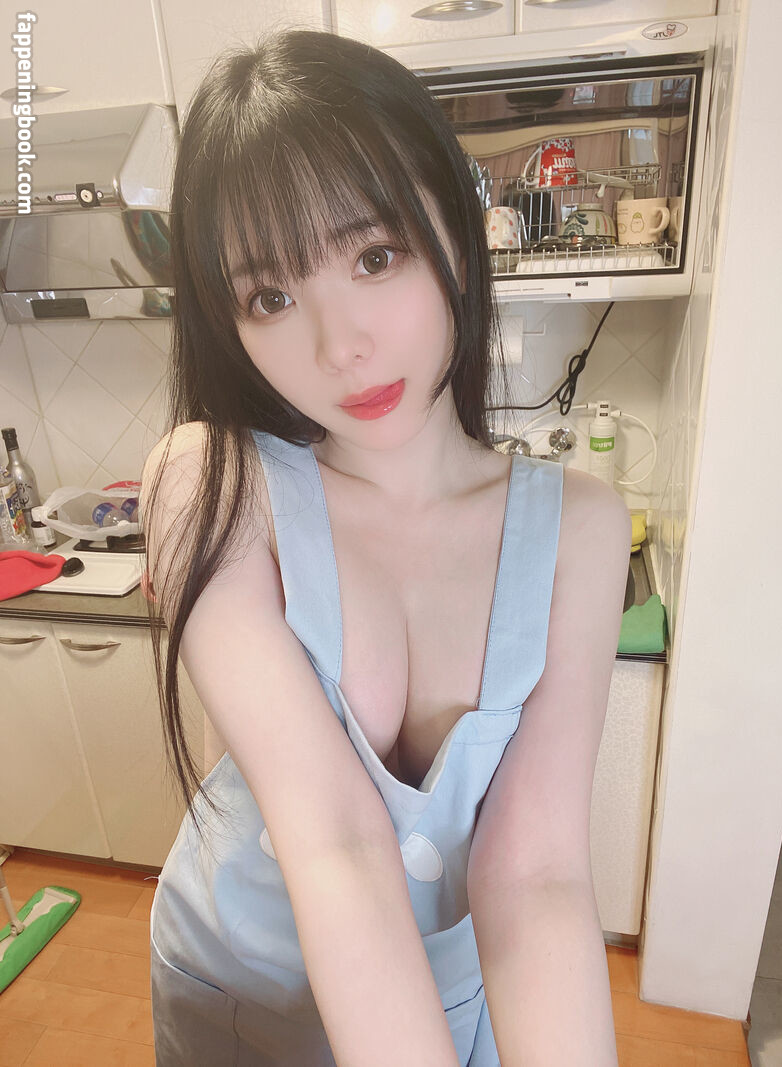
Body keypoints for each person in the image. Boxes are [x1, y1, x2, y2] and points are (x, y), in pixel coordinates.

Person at [140, 27, 629, 1067]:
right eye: (271, 296)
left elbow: (536, 874)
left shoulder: (578, 528)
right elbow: (334, 839)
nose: (340, 346)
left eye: (374, 256)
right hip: (242, 989)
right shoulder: (213, 487)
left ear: (455, 229)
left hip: (449, 993)